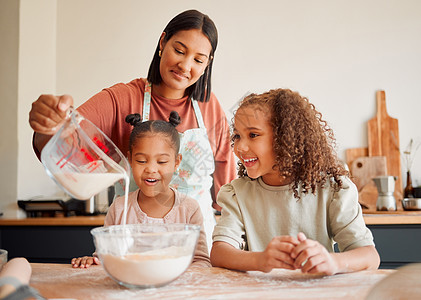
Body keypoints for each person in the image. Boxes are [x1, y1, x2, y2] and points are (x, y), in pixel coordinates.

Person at [28, 9, 236, 249]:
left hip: (197, 248)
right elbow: (66, 140)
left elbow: (227, 191)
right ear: (162, 42)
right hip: (132, 246)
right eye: (179, 50)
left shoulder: (210, 107)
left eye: (198, 60)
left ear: (207, 64)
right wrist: (48, 125)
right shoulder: (122, 99)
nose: (185, 65)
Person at [210, 89, 380, 275]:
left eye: (253, 135)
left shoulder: (333, 190)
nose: (239, 147)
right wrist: (260, 259)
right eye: (237, 136)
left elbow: (370, 256)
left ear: (285, 138)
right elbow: (219, 253)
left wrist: (333, 261)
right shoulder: (237, 194)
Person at [72, 111, 210, 268]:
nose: (151, 169)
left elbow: (201, 262)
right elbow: (105, 258)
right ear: (130, 160)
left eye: (162, 161)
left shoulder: (189, 209)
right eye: (142, 160)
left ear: (176, 162)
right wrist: (93, 261)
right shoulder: (119, 208)